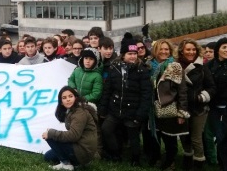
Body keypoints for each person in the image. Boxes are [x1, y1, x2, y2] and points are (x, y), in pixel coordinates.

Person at [99, 35, 152, 166]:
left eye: (134, 54)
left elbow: (146, 94)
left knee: (133, 136)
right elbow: (108, 90)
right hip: (115, 109)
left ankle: (135, 159)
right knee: (106, 129)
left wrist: (140, 114)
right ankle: (116, 153)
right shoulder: (114, 68)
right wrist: (103, 109)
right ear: (123, 55)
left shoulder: (142, 71)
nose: (133, 56)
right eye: (129, 54)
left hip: (133, 111)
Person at [145, 39, 190, 170]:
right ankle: (156, 157)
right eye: (161, 49)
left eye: (167, 49)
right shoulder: (148, 65)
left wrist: (182, 112)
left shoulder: (174, 66)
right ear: (155, 50)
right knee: (155, 135)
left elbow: (182, 90)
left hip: (169, 107)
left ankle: (170, 162)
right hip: (152, 107)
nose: (164, 52)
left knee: (169, 138)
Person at [177, 38, 216, 169]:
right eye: (188, 49)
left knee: (196, 138)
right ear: (182, 51)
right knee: (184, 136)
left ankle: (199, 163)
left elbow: (211, 87)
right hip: (182, 108)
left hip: (199, 108)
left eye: (193, 49)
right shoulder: (175, 66)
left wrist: (200, 97)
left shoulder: (202, 67)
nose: (191, 52)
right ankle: (188, 159)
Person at [42, 86, 98, 170]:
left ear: (75, 98)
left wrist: (51, 133)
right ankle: (72, 162)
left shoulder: (80, 112)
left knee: (50, 135)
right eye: (64, 98)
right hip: (79, 146)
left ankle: (66, 164)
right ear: (61, 102)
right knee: (48, 156)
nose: (68, 99)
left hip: (83, 151)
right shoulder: (71, 111)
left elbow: (74, 135)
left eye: (70, 96)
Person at [205, 37, 227, 169]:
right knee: (219, 137)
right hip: (213, 108)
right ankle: (222, 163)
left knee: (225, 139)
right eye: (224, 47)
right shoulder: (209, 65)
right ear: (218, 49)